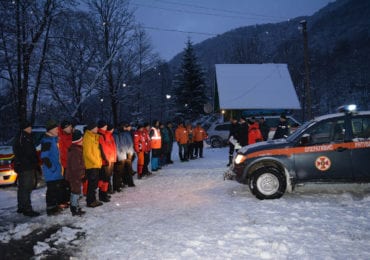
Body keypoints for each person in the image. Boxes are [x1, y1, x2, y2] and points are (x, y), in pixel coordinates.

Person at [12, 121, 40, 217]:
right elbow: (29, 152)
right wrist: (34, 162)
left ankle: (21, 206)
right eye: (30, 127)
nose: (31, 129)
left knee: (22, 187)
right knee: (26, 187)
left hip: (22, 165)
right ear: (26, 128)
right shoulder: (25, 138)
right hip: (26, 166)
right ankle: (27, 208)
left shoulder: (20, 136)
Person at [40, 120, 64, 216]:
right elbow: (44, 157)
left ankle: (55, 206)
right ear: (50, 130)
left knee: (56, 189)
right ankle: (50, 208)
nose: (58, 130)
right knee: (51, 190)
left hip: (56, 171)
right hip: (51, 171)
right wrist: (52, 168)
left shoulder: (54, 140)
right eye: (56, 129)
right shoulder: (47, 141)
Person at [83, 122, 103, 208]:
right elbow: (87, 153)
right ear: (91, 128)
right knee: (92, 184)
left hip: (95, 164)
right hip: (91, 165)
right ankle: (90, 201)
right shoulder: (87, 138)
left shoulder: (94, 137)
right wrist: (95, 161)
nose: (97, 129)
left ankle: (93, 199)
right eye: (95, 128)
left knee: (94, 184)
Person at [66, 130, 86, 216]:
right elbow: (75, 167)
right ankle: (74, 208)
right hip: (74, 176)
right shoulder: (75, 151)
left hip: (75, 175)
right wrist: (81, 173)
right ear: (79, 141)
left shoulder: (77, 149)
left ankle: (75, 206)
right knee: (75, 192)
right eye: (82, 140)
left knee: (76, 191)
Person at [58, 119, 73, 209]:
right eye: (69, 126)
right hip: (65, 164)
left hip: (71, 163)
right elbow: (64, 152)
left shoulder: (70, 135)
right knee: (64, 184)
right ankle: (63, 201)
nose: (71, 128)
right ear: (65, 128)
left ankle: (68, 199)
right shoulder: (61, 137)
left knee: (70, 183)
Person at [115, 122, 135, 188]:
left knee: (127, 169)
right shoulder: (119, 134)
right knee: (124, 169)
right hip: (124, 153)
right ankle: (125, 182)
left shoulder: (125, 133)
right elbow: (123, 144)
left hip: (127, 153)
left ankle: (128, 182)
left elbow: (129, 144)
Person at [97, 120, 112, 203]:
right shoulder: (100, 135)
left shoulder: (103, 134)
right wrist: (105, 159)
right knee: (104, 178)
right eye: (105, 126)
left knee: (105, 178)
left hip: (105, 159)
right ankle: (102, 195)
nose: (107, 127)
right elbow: (101, 149)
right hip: (103, 161)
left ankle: (103, 193)